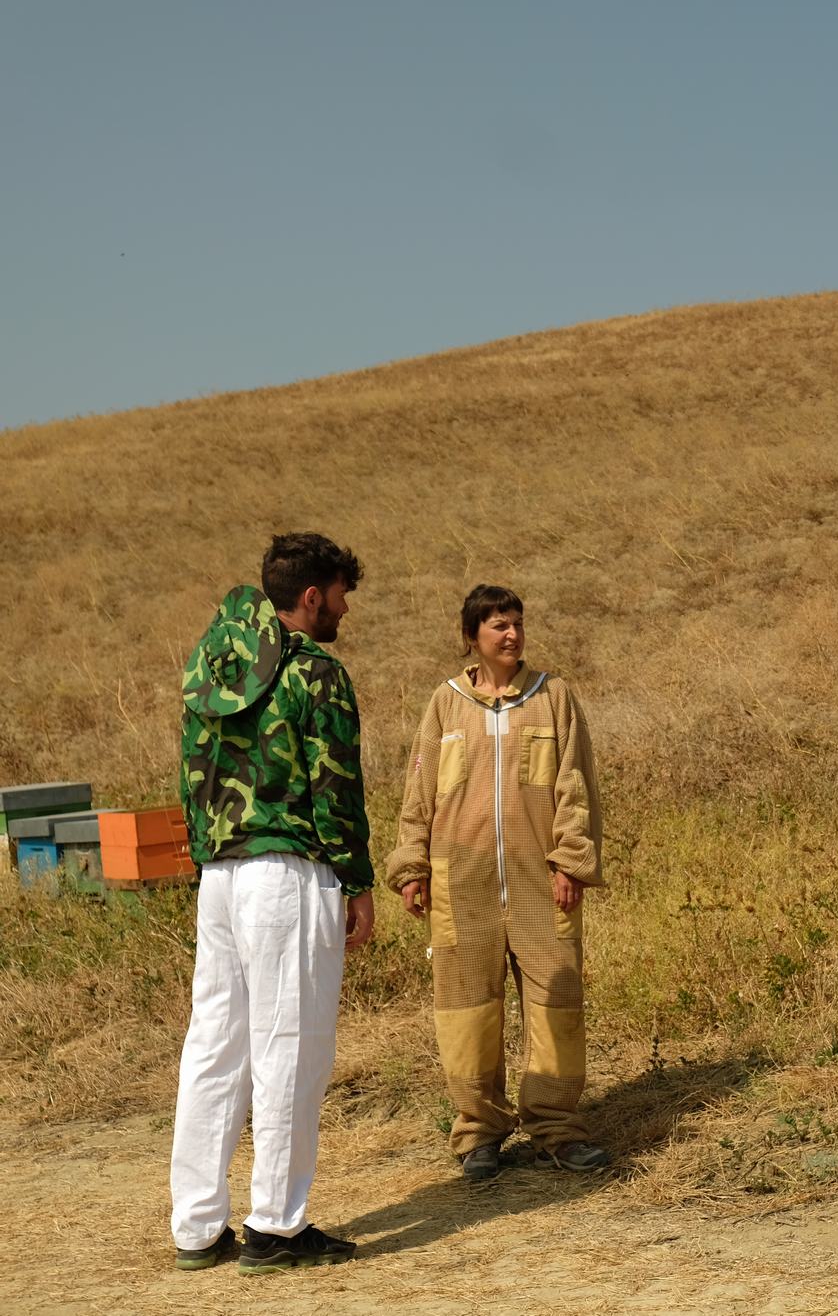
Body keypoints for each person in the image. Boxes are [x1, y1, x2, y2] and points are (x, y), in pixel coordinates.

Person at [170, 532, 375, 1274]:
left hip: (219, 875)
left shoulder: (212, 666)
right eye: (341, 593)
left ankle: (196, 1226)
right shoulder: (315, 670)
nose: (345, 607)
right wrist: (356, 879)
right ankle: (277, 1226)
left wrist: (205, 855)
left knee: (215, 1047)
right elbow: (334, 781)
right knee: (291, 1047)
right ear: (312, 595)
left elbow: (191, 774)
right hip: (286, 873)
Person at [387, 585, 609, 1182]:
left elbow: (575, 784)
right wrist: (412, 867)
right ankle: (479, 1133)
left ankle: (557, 1129)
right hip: (463, 884)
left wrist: (571, 861)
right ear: (472, 637)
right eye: (497, 627)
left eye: (516, 624)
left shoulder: (553, 697)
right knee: (467, 1012)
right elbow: (420, 792)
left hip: (543, 884)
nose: (511, 635)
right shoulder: (445, 703)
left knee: (555, 1004)